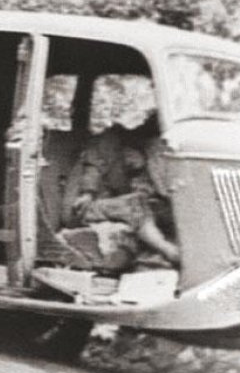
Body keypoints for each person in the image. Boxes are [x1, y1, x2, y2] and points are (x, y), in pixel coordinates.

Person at [62, 113, 180, 268]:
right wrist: (87, 193)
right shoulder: (108, 142)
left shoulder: (139, 154)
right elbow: (93, 169)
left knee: (161, 207)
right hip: (83, 207)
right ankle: (169, 251)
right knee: (136, 204)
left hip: (112, 205)